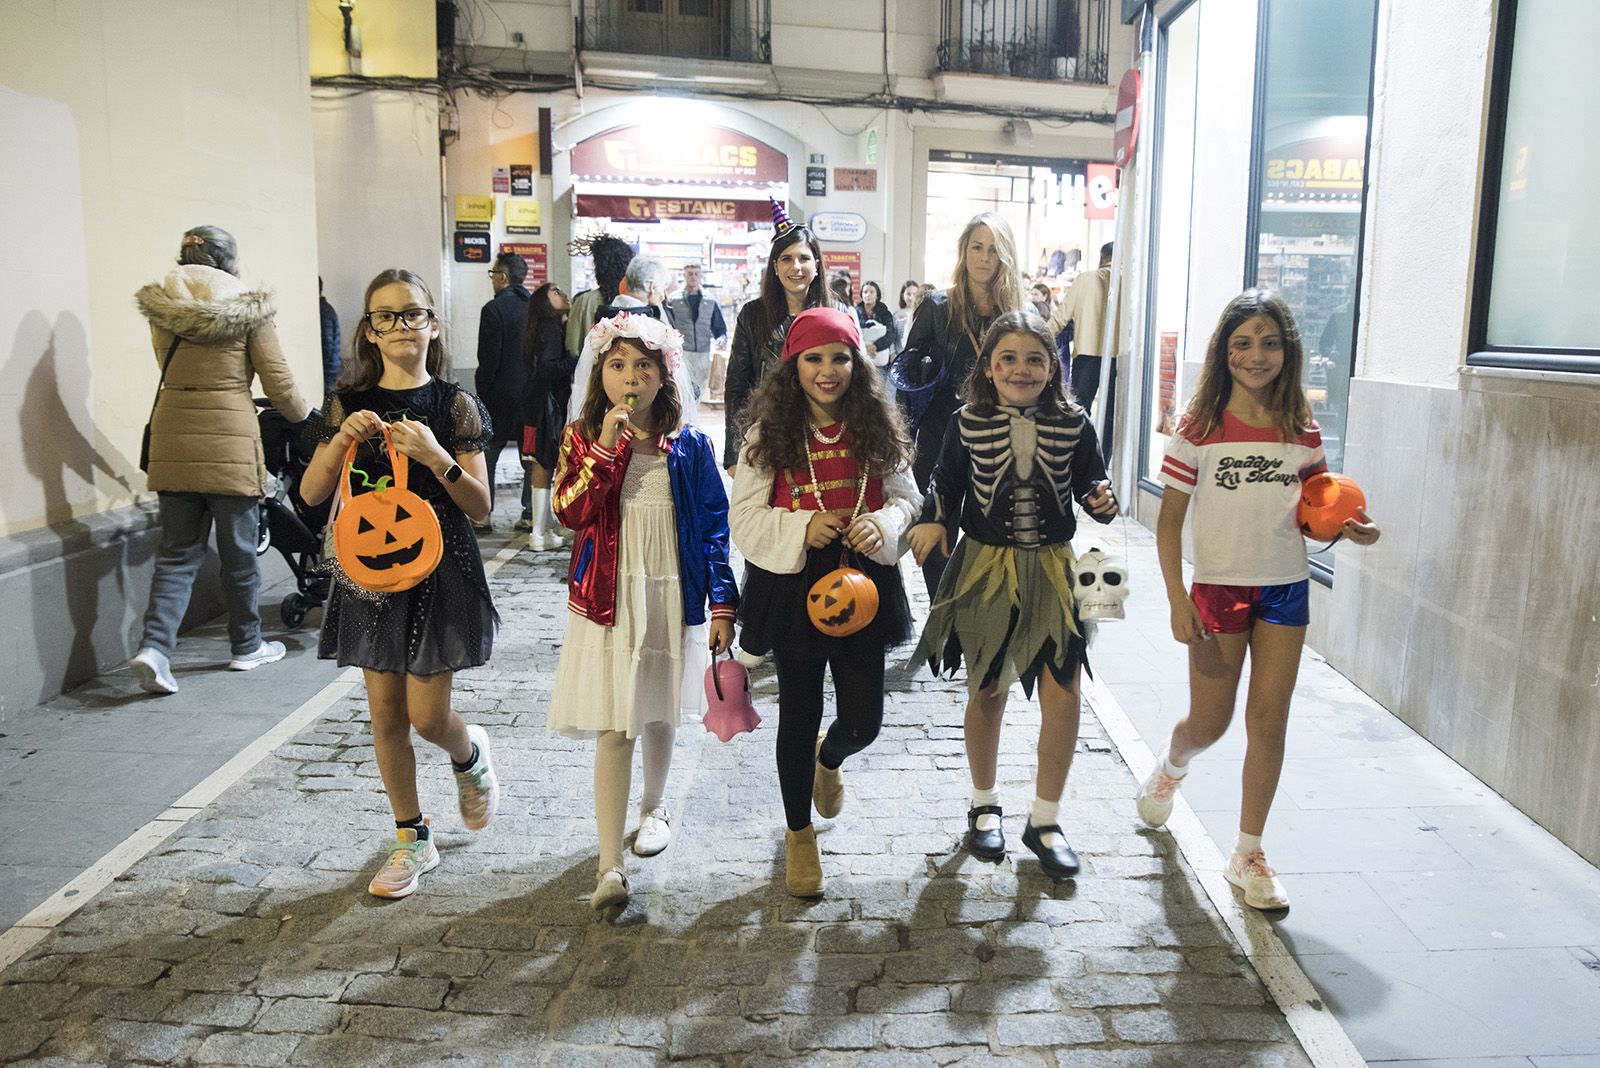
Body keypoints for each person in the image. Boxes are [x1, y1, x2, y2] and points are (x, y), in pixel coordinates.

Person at [1137, 290, 1381, 911]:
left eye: (1270, 342)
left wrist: (1349, 528)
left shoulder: (1302, 429)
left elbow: (1315, 512)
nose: (1256, 355)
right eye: (1242, 343)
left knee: (1269, 720)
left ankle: (1248, 851)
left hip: (1285, 588)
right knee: (1211, 724)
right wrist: (1175, 597)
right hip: (1216, 590)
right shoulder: (1197, 427)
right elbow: (1168, 525)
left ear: (1288, 351)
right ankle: (1173, 762)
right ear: (1224, 351)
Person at [298, 268, 501, 899]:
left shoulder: (453, 404)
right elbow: (310, 494)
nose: (399, 326)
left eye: (411, 313)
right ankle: (412, 837)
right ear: (369, 330)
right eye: (384, 316)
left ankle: (468, 755)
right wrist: (340, 444)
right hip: (371, 570)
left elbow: (482, 506)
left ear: (432, 323)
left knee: (427, 717)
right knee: (385, 713)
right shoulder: (347, 402)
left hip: (440, 568)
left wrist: (436, 455)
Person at [909, 310, 1118, 880]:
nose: (1021, 369)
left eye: (1034, 359)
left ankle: (1045, 820)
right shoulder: (964, 422)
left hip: (1055, 569)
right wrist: (933, 522)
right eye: (1008, 358)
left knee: (1065, 694)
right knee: (988, 689)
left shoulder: (1075, 424)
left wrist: (1102, 499)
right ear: (988, 367)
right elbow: (943, 488)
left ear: (1053, 367)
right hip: (985, 567)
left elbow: (1092, 484)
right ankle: (984, 804)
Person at [547, 313, 737, 910]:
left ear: (665, 374)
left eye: (644, 366)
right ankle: (608, 863)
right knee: (614, 722)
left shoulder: (691, 444)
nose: (631, 377)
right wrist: (606, 448)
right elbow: (569, 512)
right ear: (600, 373)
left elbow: (713, 525)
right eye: (618, 364)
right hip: (607, 597)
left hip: (667, 590)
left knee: (657, 712)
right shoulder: (582, 438)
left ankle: (654, 808)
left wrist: (723, 601)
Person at [729, 308, 921, 898]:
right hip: (792, 585)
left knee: (863, 720)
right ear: (793, 366)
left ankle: (830, 759)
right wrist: (801, 526)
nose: (828, 370)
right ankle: (798, 833)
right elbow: (745, 517)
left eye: (840, 357)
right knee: (799, 712)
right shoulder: (767, 437)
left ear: (857, 363)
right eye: (814, 358)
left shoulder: (877, 430)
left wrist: (885, 523)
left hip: (861, 579)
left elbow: (907, 498)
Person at [128, 225, 310, 696]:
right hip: (229, 439)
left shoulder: (161, 308)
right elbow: (279, 382)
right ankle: (246, 646)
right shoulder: (249, 308)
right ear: (229, 261)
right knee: (240, 555)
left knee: (176, 554)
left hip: (174, 434)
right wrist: (308, 420)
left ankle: (155, 648)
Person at [894, 212, 1026, 596]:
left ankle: (986, 617)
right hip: (939, 438)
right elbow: (908, 377)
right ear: (964, 252)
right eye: (977, 247)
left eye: (993, 249)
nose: (984, 258)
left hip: (998, 441)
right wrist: (902, 439)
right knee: (936, 536)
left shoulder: (1018, 314)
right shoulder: (937, 306)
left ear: (1006, 257)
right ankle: (945, 619)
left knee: (998, 537)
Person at [723, 201, 847, 473]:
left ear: (816, 264)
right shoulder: (752, 315)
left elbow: (856, 380)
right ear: (775, 267)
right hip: (766, 433)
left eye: (804, 258)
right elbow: (736, 386)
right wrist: (733, 454)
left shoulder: (838, 313)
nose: (796, 267)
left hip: (826, 432)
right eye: (787, 259)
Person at [568, 256, 698, 426]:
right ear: (651, 287)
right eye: (662, 288)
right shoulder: (648, 325)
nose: (663, 295)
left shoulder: (604, 319)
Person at [473, 252, 531, 533]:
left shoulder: (493, 310)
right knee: (530, 453)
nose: (492, 279)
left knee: (490, 452)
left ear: (503, 277)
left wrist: (481, 393)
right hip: (530, 395)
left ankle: (483, 513)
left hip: (498, 395)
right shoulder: (535, 308)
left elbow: (488, 359)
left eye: (494, 273)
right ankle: (530, 512)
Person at [1048, 241, 1118, 461]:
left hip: (1086, 356)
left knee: (1078, 412)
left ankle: (1075, 461)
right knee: (1109, 419)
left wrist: (1037, 340)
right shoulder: (1129, 282)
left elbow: (1060, 317)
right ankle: (1102, 466)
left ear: (1102, 257)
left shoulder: (1085, 279)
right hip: (1118, 359)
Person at [518, 282, 572, 548]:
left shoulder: (539, 328)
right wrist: (577, 360)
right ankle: (539, 532)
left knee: (542, 462)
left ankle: (544, 528)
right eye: (555, 292)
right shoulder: (551, 329)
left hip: (536, 404)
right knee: (545, 462)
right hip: (545, 407)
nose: (563, 294)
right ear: (543, 302)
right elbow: (547, 368)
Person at [565, 233, 636, 361]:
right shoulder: (637, 301)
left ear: (600, 268)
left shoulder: (584, 301)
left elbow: (573, 347)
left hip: (592, 374)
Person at [665, 262, 728, 401]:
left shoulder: (710, 301)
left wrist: (721, 338)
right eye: (690, 274)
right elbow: (668, 325)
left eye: (696, 273)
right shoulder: (673, 300)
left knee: (699, 389)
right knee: (682, 388)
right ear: (684, 275)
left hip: (703, 352)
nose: (693, 277)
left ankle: (693, 419)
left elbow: (719, 327)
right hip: (682, 352)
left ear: (701, 275)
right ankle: (683, 419)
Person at [856, 280, 900, 368]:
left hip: (880, 361)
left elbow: (891, 334)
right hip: (861, 360)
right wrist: (865, 349)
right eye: (865, 292)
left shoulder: (885, 313)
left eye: (872, 292)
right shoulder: (855, 312)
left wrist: (875, 346)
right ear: (861, 295)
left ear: (877, 295)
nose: (868, 294)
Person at [319, 276, 341, 391]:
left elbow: (326, 345)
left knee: (326, 406)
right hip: (332, 368)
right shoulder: (326, 309)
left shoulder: (322, 311)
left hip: (327, 372)